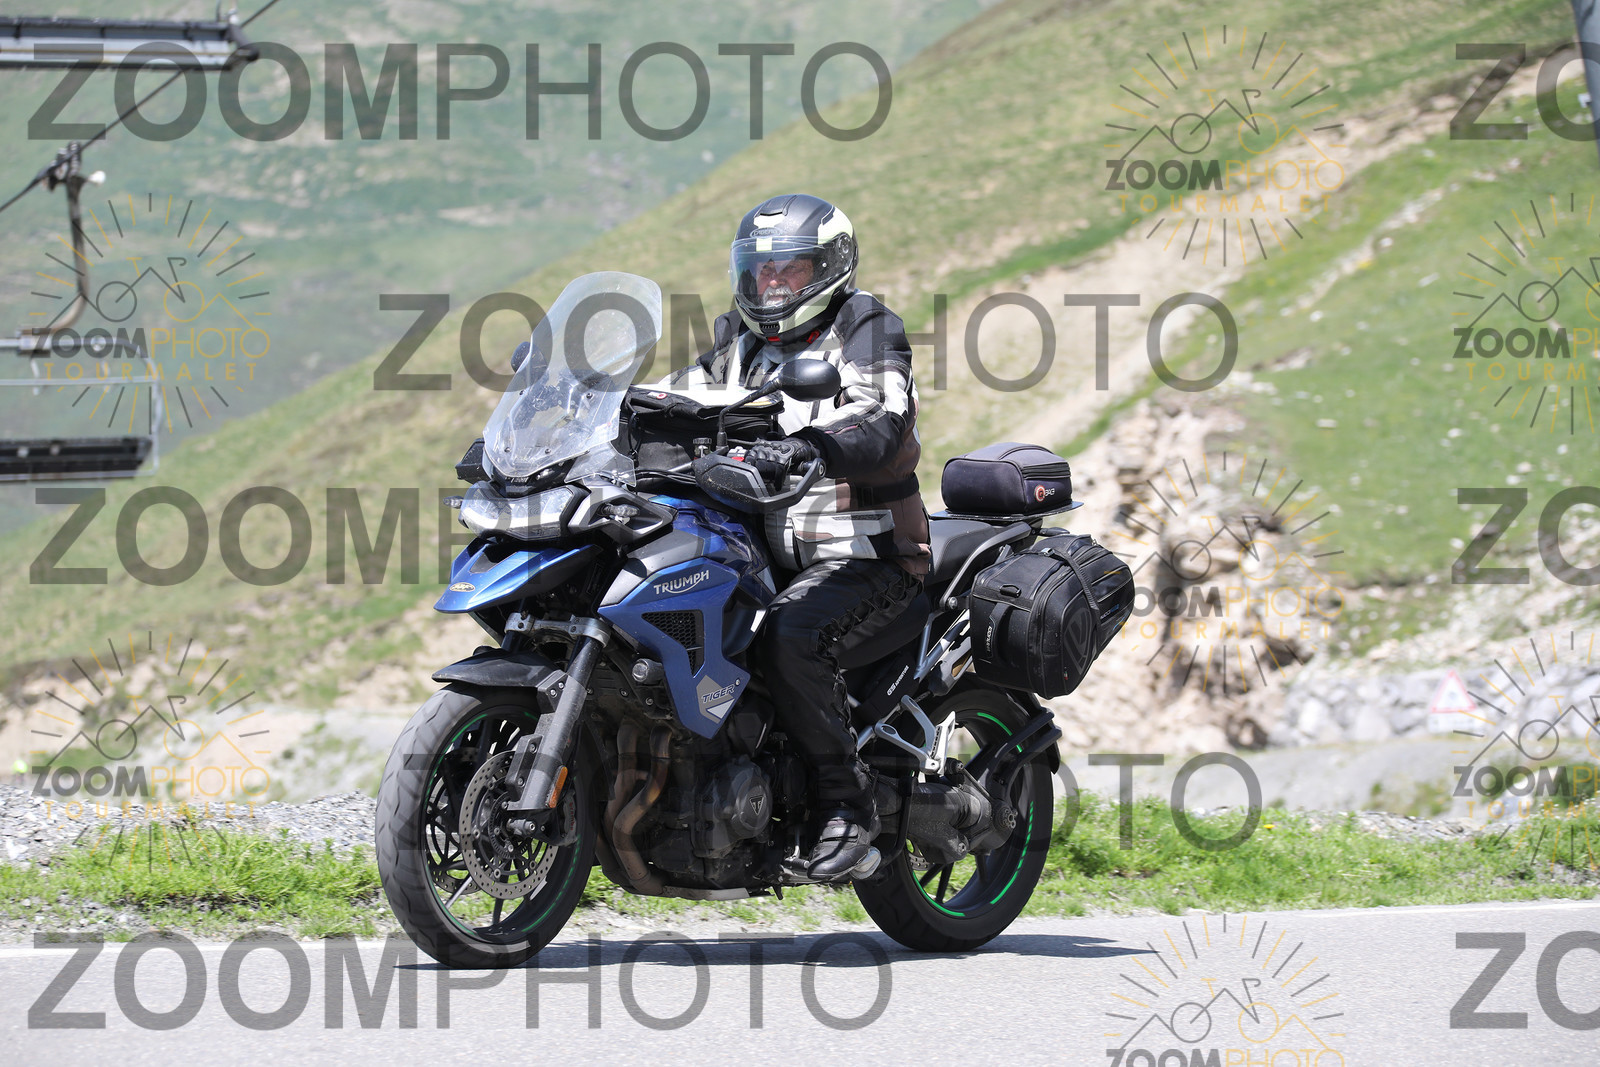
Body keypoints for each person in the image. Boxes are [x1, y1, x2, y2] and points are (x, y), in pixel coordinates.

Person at [664, 193, 930, 880]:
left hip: (867, 556)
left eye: (791, 269)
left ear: (829, 267)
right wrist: (597, 422)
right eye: (763, 271)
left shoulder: (865, 325)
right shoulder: (739, 342)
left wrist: (809, 446)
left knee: (788, 633)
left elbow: (880, 415)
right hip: (766, 555)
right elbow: (676, 397)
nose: (774, 285)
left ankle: (848, 803)